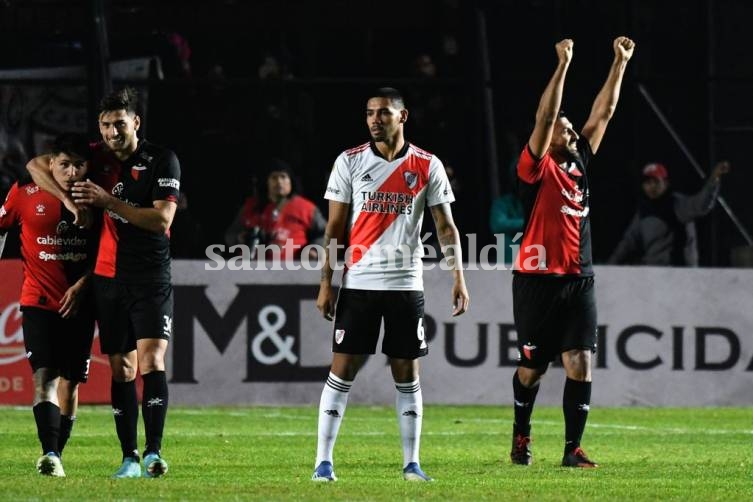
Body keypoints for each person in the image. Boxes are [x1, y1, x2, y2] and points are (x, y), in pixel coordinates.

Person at [313, 87, 470, 482]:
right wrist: (327, 283)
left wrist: (458, 278)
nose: (374, 120)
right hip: (360, 283)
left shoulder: (427, 164)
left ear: (403, 117)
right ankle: (323, 463)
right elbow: (334, 228)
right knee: (342, 368)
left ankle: (412, 464)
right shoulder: (349, 161)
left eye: (383, 113)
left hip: (405, 284)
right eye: (369, 113)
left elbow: (445, 227)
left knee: (407, 372)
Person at [26, 88, 180, 479]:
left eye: (120, 123)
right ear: (100, 126)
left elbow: (162, 221)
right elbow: (36, 165)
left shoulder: (161, 159)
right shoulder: (96, 156)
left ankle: (154, 453)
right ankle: (129, 457)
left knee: (152, 359)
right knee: (122, 368)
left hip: (150, 276)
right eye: (107, 124)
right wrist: (72, 200)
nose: (113, 132)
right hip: (108, 278)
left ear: (136, 123)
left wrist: (107, 201)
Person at [509, 37, 635, 468]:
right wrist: (562, 65)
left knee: (580, 361)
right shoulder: (535, 166)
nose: (569, 129)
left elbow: (605, 112)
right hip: (536, 279)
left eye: (568, 127)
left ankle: (572, 450)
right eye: (565, 127)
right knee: (533, 370)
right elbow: (545, 115)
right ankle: (521, 437)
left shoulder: (580, 160)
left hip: (579, 276)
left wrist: (619, 63)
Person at [0, 133, 97, 477]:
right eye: (64, 164)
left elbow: (108, 252)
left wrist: (84, 285)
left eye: (78, 165)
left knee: (71, 385)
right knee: (44, 377)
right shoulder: (25, 193)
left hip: (81, 306)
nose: (71, 172)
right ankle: (50, 453)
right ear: (51, 163)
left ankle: (59, 450)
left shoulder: (96, 199)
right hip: (37, 301)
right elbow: (1, 224)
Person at [608, 161, 730, 266]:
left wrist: (715, 178)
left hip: (680, 273)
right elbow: (628, 242)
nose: (652, 186)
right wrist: (610, 266)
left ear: (665, 183)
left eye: (656, 182)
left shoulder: (677, 204)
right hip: (653, 273)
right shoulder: (643, 211)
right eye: (647, 183)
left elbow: (701, 205)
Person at [224, 160, 325, 260]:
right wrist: (239, 238)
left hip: (293, 269)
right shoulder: (250, 206)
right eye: (274, 177)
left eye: (283, 177)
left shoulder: (306, 208)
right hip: (251, 268)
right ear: (266, 182)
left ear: (291, 181)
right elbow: (230, 234)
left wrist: (314, 249)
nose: (279, 181)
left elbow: (325, 233)